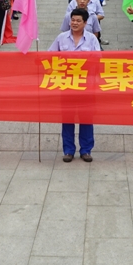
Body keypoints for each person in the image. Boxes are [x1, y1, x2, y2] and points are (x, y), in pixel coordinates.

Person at [50, 8, 101, 162]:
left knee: (86, 118)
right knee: (67, 118)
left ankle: (86, 150)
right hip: (67, 85)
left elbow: (98, 60)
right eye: (73, 20)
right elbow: (50, 56)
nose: (75, 23)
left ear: (85, 23)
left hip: (86, 86)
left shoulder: (92, 39)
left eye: (79, 21)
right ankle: (68, 150)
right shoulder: (61, 38)